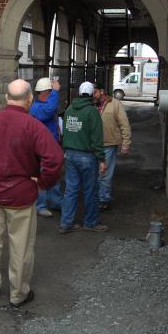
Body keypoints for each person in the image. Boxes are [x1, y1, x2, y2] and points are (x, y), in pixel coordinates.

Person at [0, 79, 63, 307]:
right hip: (20, 198)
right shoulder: (33, 126)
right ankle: (18, 294)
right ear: (29, 99)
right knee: (20, 247)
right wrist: (42, 183)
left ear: (6, 97)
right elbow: (55, 159)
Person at [59, 81, 108, 233]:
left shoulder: (69, 109)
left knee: (71, 190)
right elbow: (97, 138)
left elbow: (65, 132)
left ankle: (66, 223)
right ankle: (90, 222)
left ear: (79, 93)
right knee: (90, 190)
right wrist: (101, 159)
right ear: (92, 94)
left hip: (70, 155)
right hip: (87, 156)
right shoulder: (92, 112)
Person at [93, 83, 131, 211]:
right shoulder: (91, 104)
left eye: (95, 92)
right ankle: (95, 197)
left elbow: (124, 124)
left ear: (102, 91)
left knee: (105, 173)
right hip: (92, 145)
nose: (93, 95)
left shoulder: (115, 104)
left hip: (109, 144)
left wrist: (126, 142)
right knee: (94, 173)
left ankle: (104, 199)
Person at [30, 76, 63, 217]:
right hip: (42, 149)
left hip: (51, 146)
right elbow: (49, 110)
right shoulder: (36, 108)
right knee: (43, 175)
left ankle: (55, 201)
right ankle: (40, 205)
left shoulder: (39, 105)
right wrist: (55, 92)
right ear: (45, 93)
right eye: (50, 93)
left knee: (53, 174)